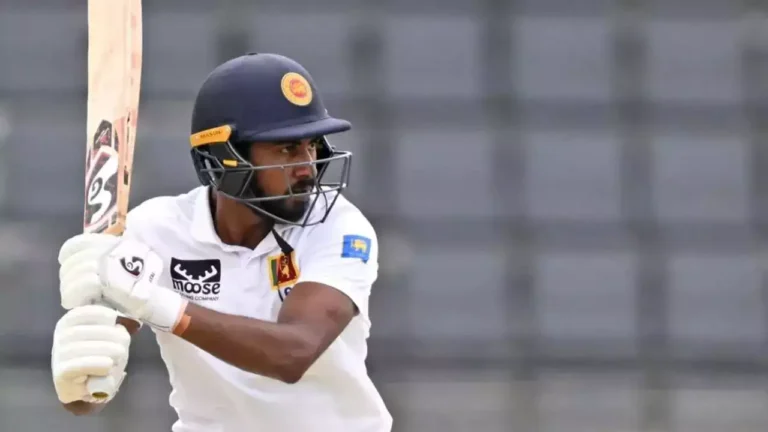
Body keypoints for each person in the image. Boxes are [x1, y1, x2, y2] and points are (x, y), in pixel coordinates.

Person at [51, 52, 393, 432]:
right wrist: (80, 373)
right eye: (286, 149)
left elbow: (294, 352)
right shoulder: (155, 230)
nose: (307, 168)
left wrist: (158, 304)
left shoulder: (338, 227)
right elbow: (86, 397)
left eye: (311, 146)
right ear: (223, 158)